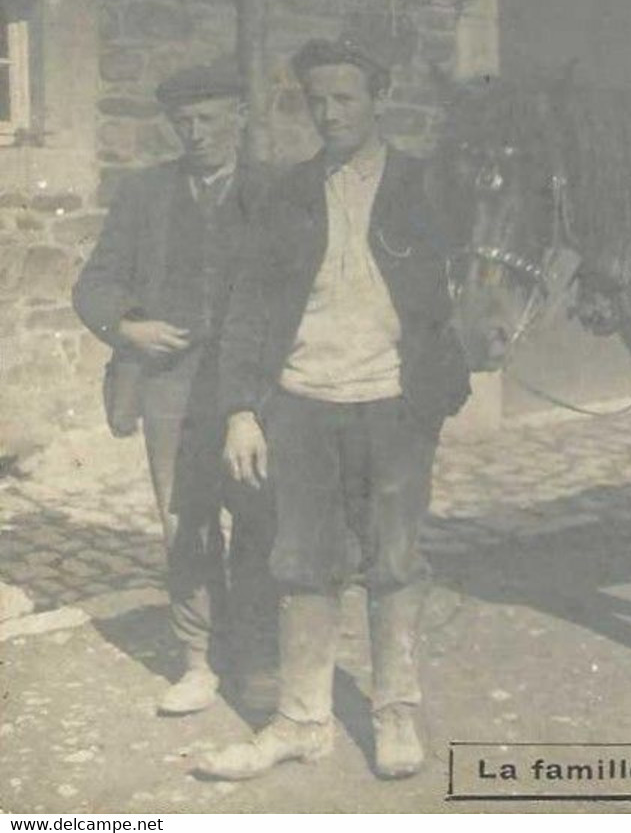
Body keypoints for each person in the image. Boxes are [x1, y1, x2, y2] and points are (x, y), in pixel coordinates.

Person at [196, 39, 470, 782]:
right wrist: (241, 412)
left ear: (375, 98)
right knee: (301, 562)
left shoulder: (426, 186)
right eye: (317, 100)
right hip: (302, 404)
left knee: (394, 557)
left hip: (394, 405)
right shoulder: (285, 193)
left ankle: (394, 711)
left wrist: (443, 383)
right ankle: (302, 719)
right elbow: (248, 306)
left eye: (344, 98)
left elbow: (467, 283)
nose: (329, 113)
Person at [72, 58, 279, 716]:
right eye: (184, 122)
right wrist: (131, 328)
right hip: (171, 384)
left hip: (257, 388)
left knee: (256, 520)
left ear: (240, 117)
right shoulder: (145, 194)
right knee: (183, 523)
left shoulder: (278, 192)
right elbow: (93, 284)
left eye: (210, 119)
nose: (197, 133)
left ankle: (253, 657)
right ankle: (197, 661)